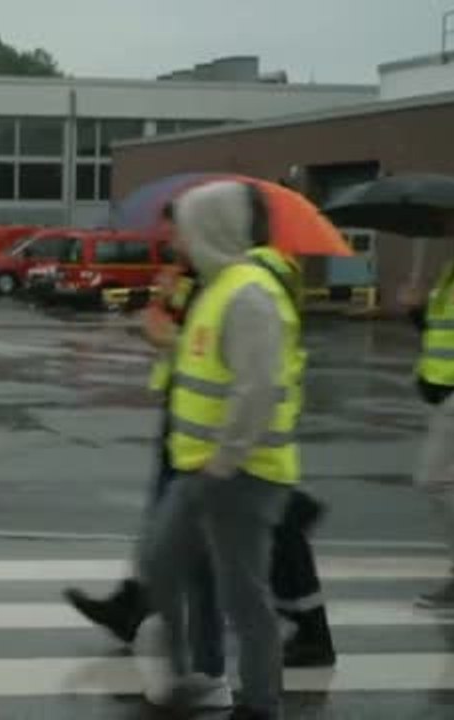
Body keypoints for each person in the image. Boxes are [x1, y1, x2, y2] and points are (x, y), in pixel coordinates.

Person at [65, 244, 335, 669]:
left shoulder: (254, 281)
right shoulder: (212, 277)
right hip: (195, 422)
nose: (175, 238)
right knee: (181, 530)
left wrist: (169, 325)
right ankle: (144, 611)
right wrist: (168, 302)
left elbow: (218, 352)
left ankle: (249, 665)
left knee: (248, 541)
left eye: (182, 226)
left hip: (229, 432)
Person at [143, 180, 306, 720]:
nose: (176, 241)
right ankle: (189, 677)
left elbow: (256, 388)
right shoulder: (216, 287)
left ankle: (259, 704)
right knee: (161, 564)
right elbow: (198, 370)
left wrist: (226, 459)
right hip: (201, 468)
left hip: (242, 473)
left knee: (243, 597)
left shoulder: (249, 294)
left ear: (209, 229)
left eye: (185, 229)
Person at [403, 246, 454, 610]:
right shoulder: (452, 268)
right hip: (444, 391)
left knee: (435, 479)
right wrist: (416, 308)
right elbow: (440, 331)